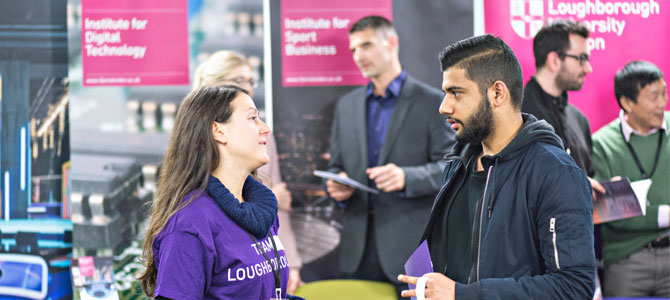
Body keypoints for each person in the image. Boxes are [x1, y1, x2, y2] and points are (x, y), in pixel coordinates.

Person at [398, 34, 595, 299]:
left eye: (456, 93)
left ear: (497, 93)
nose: (444, 107)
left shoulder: (556, 172)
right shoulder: (458, 164)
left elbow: (573, 287)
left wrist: (464, 294)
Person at [326, 15, 455, 297]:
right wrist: (338, 183)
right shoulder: (345, 107)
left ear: (392, 43)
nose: (359, 56)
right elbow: (336, 165)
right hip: (357, 249)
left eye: (367, 45)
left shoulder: (433, 102)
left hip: (409, 247)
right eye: (354, 50)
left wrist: (406, 177)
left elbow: (450, 168)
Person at [138, 85, 291, 299]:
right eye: (252, 118)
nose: (265, 128)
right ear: (218, 131)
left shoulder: (262, 208)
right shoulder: (189, 224)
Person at [193, 50, 304, 294]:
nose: (249, 89)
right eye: (239, 81)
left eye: (251, 82)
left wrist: (289, 263)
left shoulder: (263, 140)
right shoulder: (191, 221)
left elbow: (276, 211)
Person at [592, 60, 669, 297]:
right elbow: (609, 212)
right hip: (626, 260)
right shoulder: (602, 143)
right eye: (653, 96)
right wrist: (664, 214)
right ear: (627, 102)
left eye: (664, 93)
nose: (662, 103)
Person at [522, 19, 605, 196]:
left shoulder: (578, 119)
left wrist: (605, 190)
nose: (588, 68)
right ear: (554, 60)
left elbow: (587, 176)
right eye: (582, 58)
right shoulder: (515, 114)